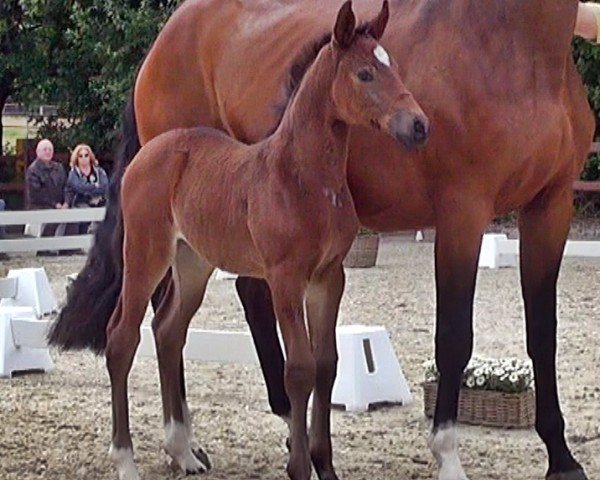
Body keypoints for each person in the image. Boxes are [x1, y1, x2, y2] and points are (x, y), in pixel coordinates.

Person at [25, 138, 70, 255]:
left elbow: (67, 187)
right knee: (52, 216)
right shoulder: (33, 170)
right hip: (40, 205)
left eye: (50, 149)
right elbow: (38, 193)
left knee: (74, 213)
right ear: (38, 152)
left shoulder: (59, 168)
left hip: (60, 204)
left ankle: (68, 248)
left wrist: (66, 202)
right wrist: (55, 204)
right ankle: (43, 249)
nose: (48, 152)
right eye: (45, 149)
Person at [64, 144, 109, 234]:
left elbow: (104, 186)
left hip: (100, 203)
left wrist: (88, 187)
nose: (84, 158)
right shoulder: (73, 173)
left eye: (86, 155)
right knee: (83, 215)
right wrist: (94, 186)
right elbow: (79, 188)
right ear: (77, 158)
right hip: (80, 203)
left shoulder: (99, 171)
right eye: (80, 156)